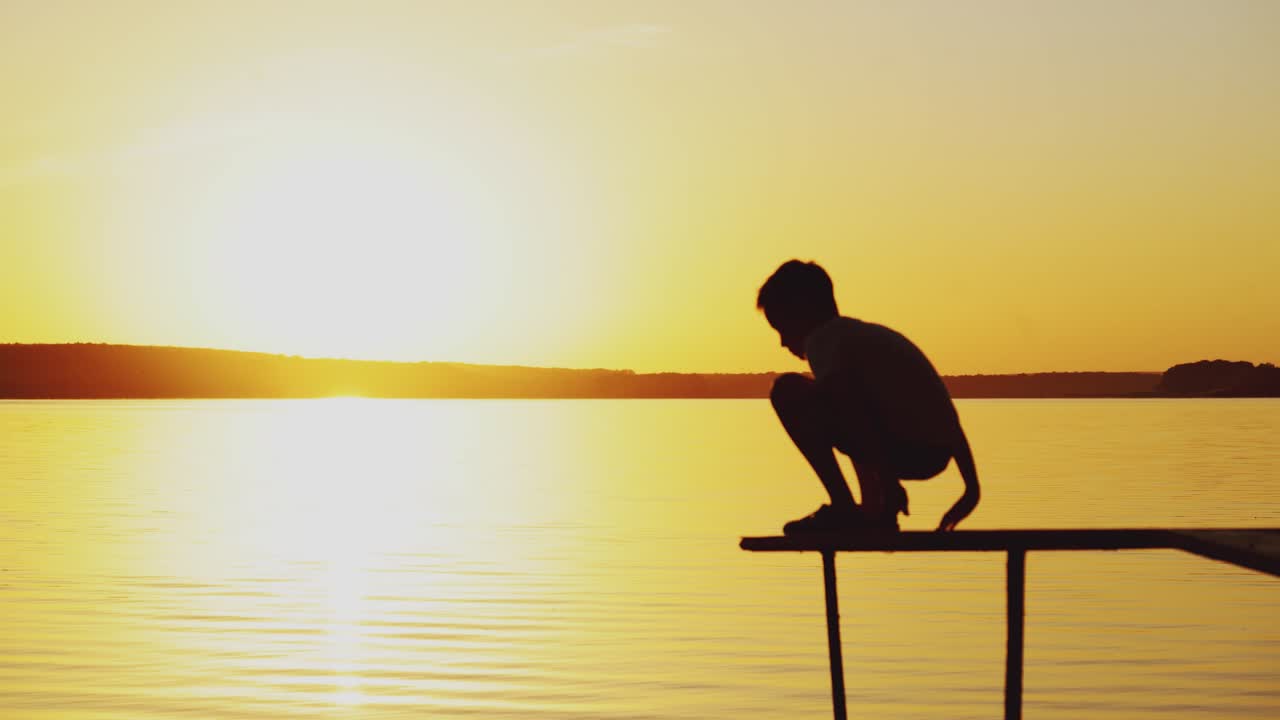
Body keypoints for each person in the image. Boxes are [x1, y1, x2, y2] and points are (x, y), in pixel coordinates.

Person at [757, 260, 980, 534]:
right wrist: (972, 488)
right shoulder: (866, 338)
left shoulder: (822, 340)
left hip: (909, 449)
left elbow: (849, 407)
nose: (782, 342)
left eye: (782, 328)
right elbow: (942, 412)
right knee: (831, 393)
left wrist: (888, 484)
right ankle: (873, 510)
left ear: (801, 311)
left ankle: (845, 506)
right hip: (932, 451)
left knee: (787, 390)